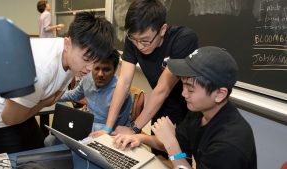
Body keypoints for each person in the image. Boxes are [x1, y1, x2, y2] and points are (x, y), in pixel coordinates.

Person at [0, 11, 114, 155]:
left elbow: (57, 94)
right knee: (17, 162)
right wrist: (45, 102)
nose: (91, 68)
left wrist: (48, 99)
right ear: (67, 43)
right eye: (86, 59)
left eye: (96, 61)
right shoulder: (40, 69)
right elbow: (9, 118)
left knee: (39, 154)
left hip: (23, 110)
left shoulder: (74, 58)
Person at [113, 46, 257, 169]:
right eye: (183, 85)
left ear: (219, 94)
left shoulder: (229, 145)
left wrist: (171, 144)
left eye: (191, 89)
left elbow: (172, 145)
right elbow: (178, 143)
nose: (183, 93)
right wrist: (140, 138)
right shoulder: (200, 112)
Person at [90, 0, 198, 140]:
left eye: (145, 40)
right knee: (157, 155)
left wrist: (134, 129)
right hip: (158, 108)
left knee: (178, 156)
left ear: (162, 29)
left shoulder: (183, 39)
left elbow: (162, 89)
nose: (139, 46)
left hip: (186, 108)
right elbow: (124, 82)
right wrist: (107, 128)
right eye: (134, 40)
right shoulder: (133, 40)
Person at [59, 49, 132, 131]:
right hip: (89, 126)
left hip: (110, 133)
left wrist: (85, 123)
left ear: (114, 70)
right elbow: (74, 95)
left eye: (106, 69)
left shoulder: (121, 91)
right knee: (51, 140)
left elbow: (117, 126)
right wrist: (50, 96)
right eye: (97, 68)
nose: (100, 74)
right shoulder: (87, 78)